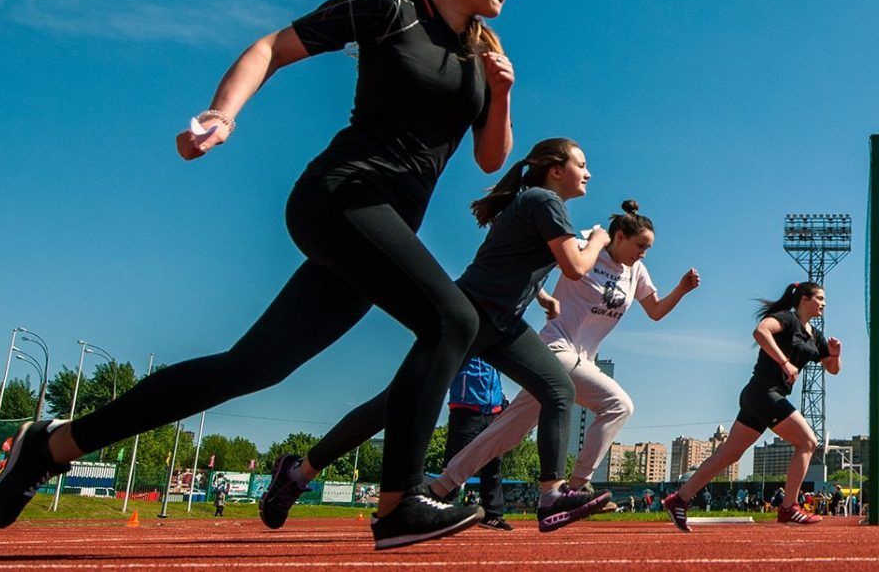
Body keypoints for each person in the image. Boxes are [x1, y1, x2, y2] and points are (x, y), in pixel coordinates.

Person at [0, 0, 518, 550]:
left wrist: (502, 93)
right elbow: (271, 47)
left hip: (385, 226)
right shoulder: (388, 10)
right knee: (451, 319)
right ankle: (399, 504)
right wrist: (223, 114)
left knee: (252, 368)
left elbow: (489, 159)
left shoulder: (481, 54)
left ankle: (51, 446)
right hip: (340, 197)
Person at [261, 139, 614, 540]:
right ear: (555, 169)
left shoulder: (537, 202)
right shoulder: (544, 201)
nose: (587, 174)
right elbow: (575, 267)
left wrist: (542, 297)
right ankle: (298, 471)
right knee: (392, 405)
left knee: (557, 390)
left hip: (503, 324)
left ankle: (551, 496)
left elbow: (510, 261)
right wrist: (599, 242)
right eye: (581, 164)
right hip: (471, 315)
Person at [428, 199, 698, 505]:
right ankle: (576, 486)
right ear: (619, 236)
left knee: (508, 431)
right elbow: (534, 267)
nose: (643, 254)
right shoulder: (585, 248)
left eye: (647, 249)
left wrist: (681, 289)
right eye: (640, 245)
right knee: (618, 405)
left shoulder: (636, 271)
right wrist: (542, 296)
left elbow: (655, 310)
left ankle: (440, 486)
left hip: (585, 360)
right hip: (556, 349)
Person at [662, 282, 842, 531]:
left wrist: (834, 355)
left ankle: (679, 499)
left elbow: (832, 370)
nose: (824, 303)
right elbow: (760, 332)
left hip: (761, 397)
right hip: (763, 393)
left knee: (729, 454)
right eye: (820, 298)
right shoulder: (787, 320)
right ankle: (789, 507)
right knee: (807, 441)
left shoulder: (815, 335)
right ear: (804, 299)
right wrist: (784, 362)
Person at [443, 357, 512, 531]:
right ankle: (443, 508)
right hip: (466, 409)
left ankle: (492, 513)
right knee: (456, 462)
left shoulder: (494, 348)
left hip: (494, 411)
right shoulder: (464, 344)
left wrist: (502, 400)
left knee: (494, 464)